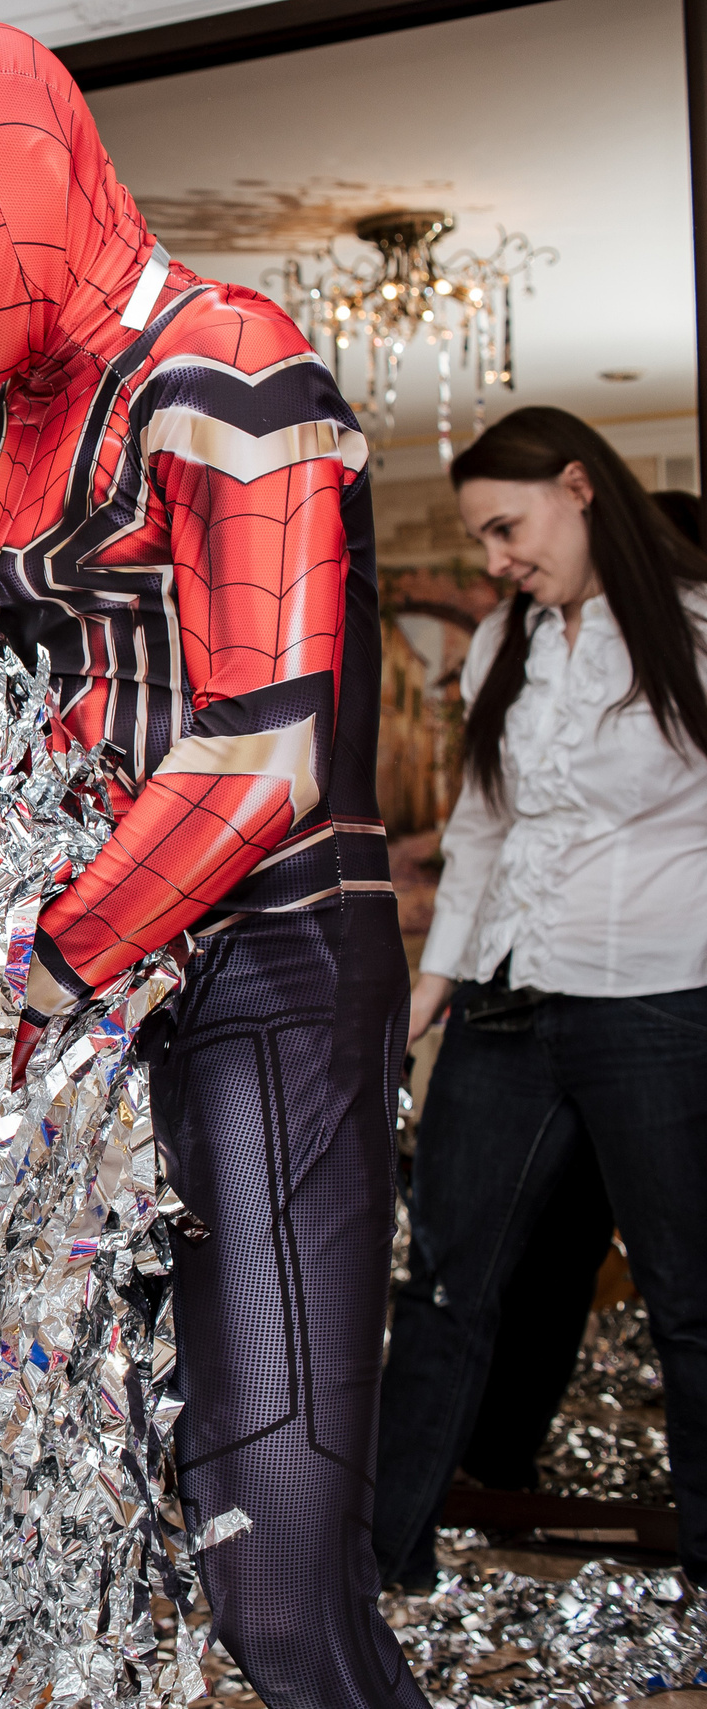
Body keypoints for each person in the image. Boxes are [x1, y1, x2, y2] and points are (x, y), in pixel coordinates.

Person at [0, 23, 425, 1706]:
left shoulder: (229, 365)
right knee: (110, 1532)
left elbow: (264, 745)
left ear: (28, 181)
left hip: (261, 973)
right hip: (75, 1014)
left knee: (272, 1548)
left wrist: (41, 966)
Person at [374, 407, 707, 1587]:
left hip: (655, 1001)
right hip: (507, 1003)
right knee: (445, 1283)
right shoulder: (503, 641)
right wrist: (432, 983)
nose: (496, 558)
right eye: (481, 538)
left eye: (506, 528)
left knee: (688, 1301)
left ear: (579, 486)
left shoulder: (691, 627)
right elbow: (480, 828)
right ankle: (379, 1563)